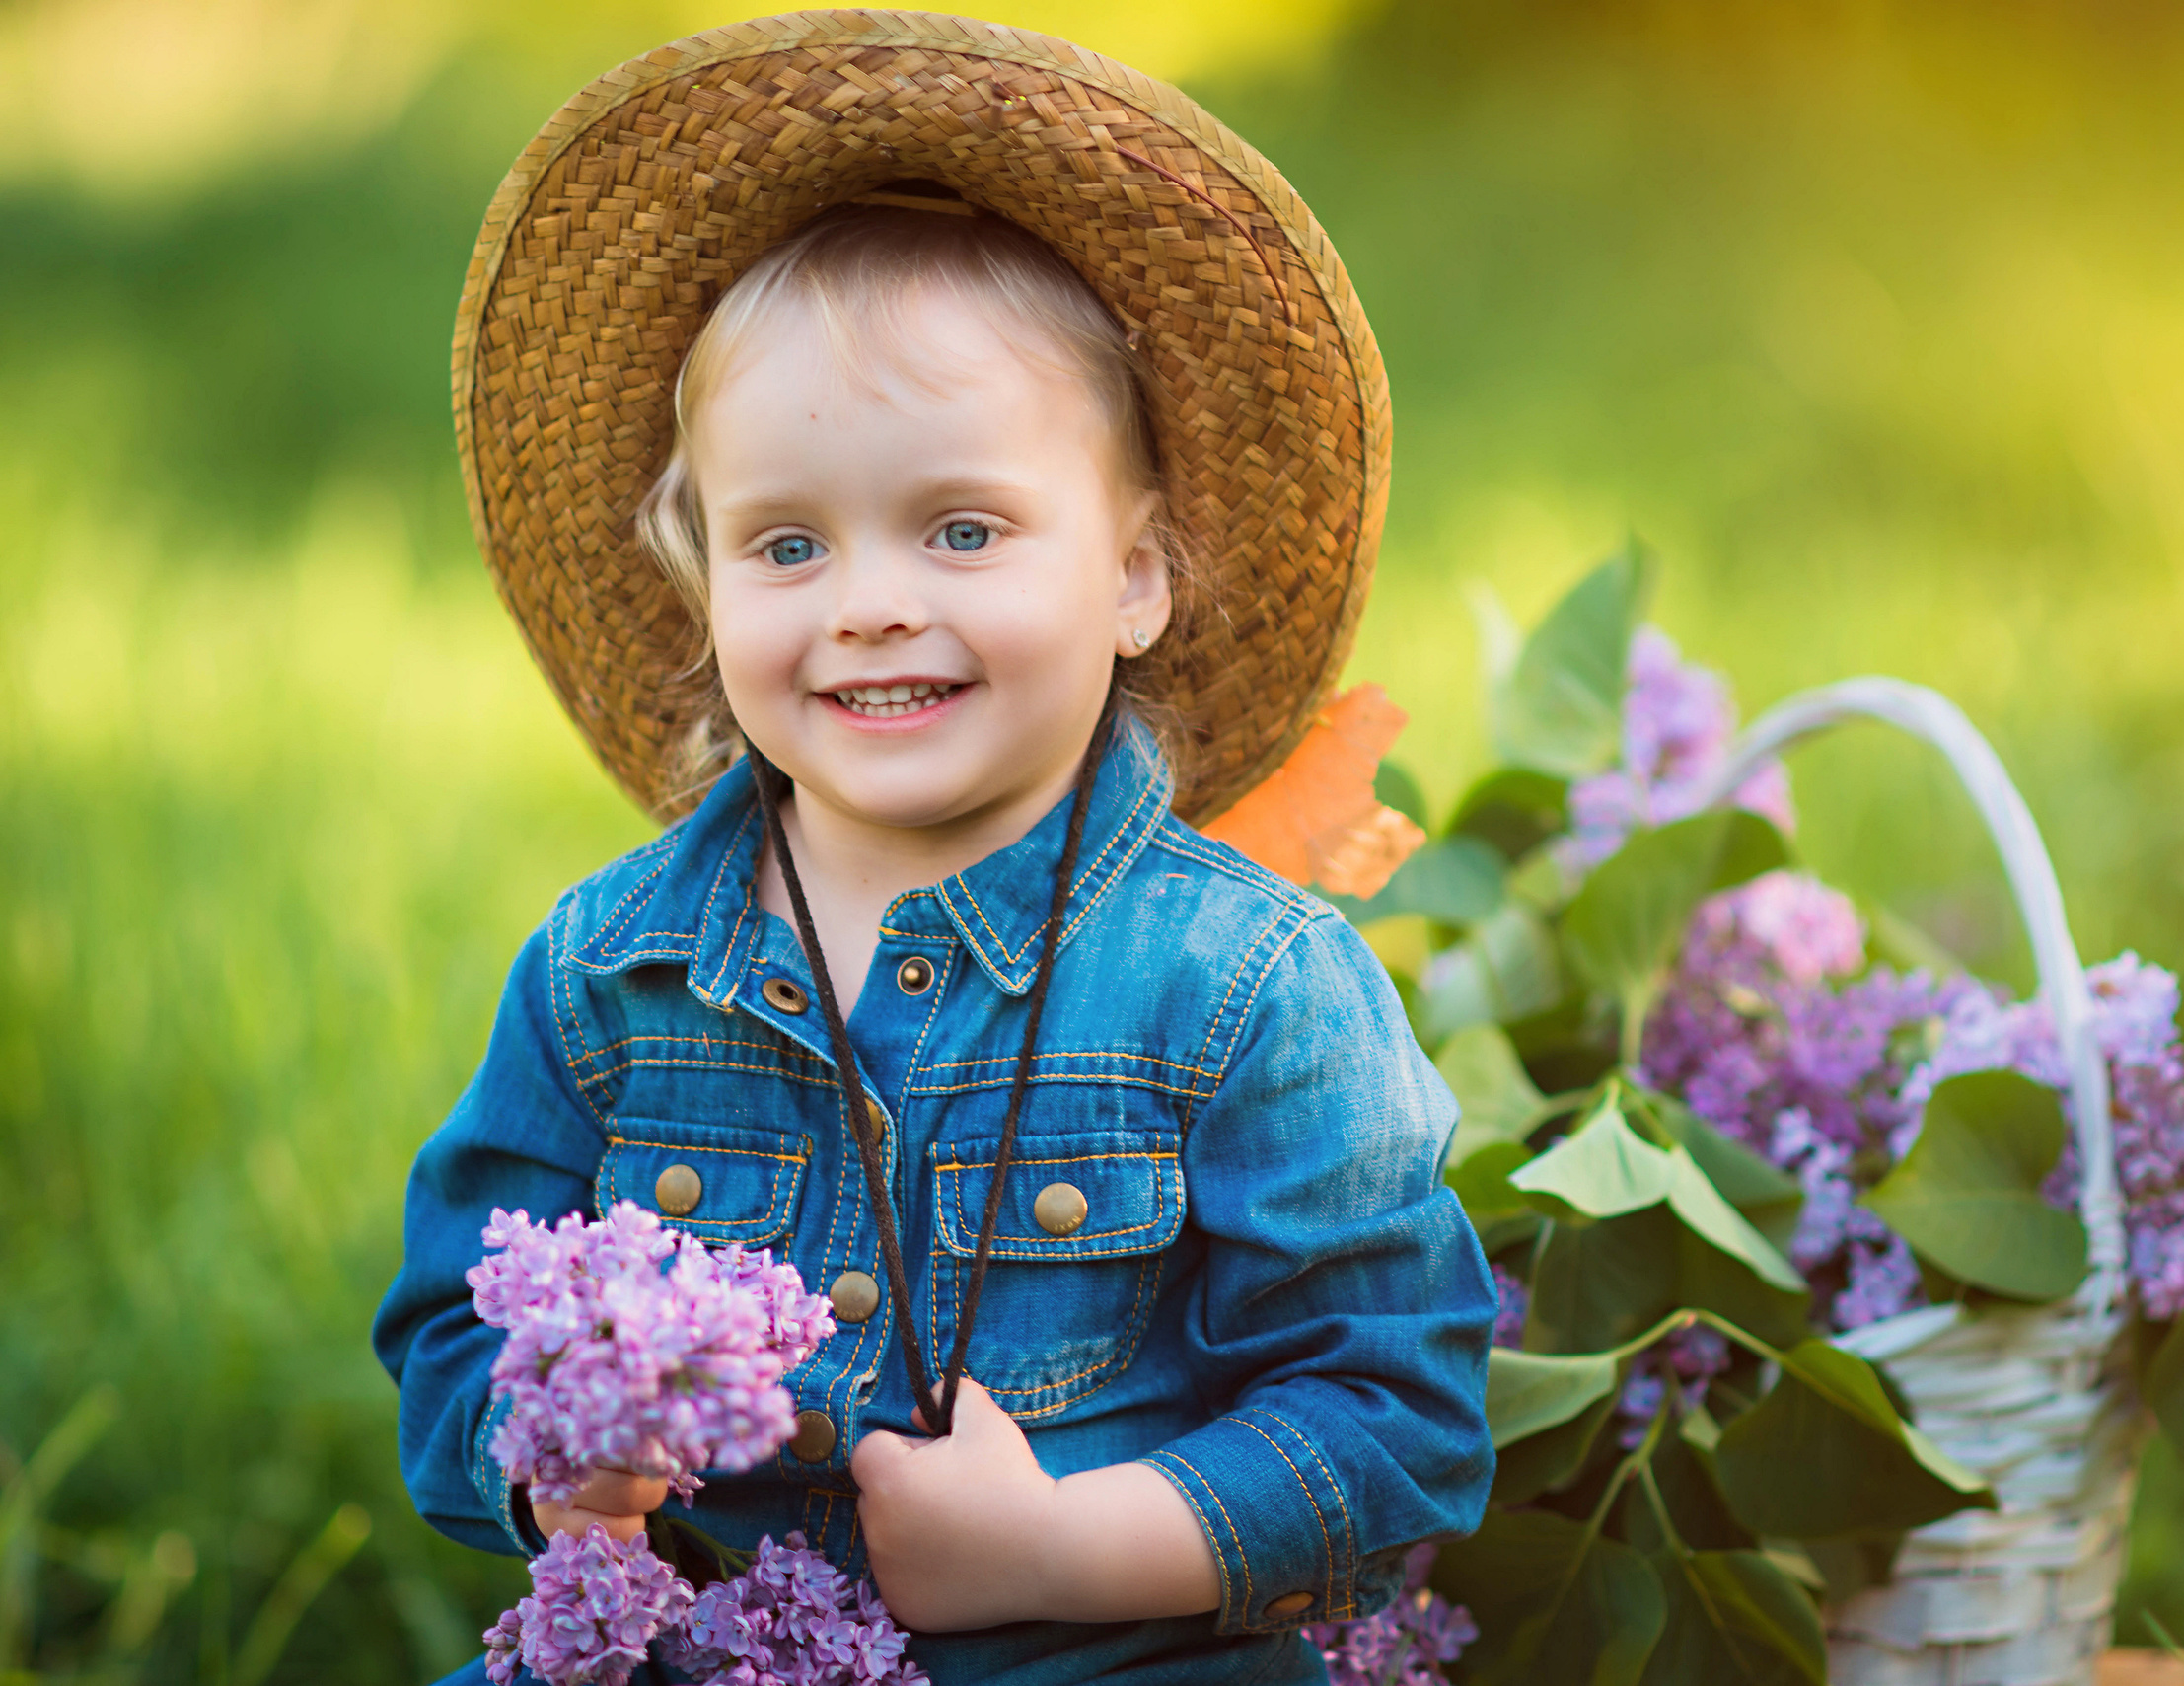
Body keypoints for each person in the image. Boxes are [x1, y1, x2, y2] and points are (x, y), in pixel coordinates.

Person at [371, 14, 1495, 1684]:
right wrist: (558, 1462)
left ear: (1133, 576)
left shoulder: (1243, 983)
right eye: (789, 541)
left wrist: (1067, 1545)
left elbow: (1394, 1405)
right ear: (710, 587)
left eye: (963, 528)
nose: (872, 599)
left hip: (1109, 1651)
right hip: (703, 1649)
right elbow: (454, 1317)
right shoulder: (612, 970)